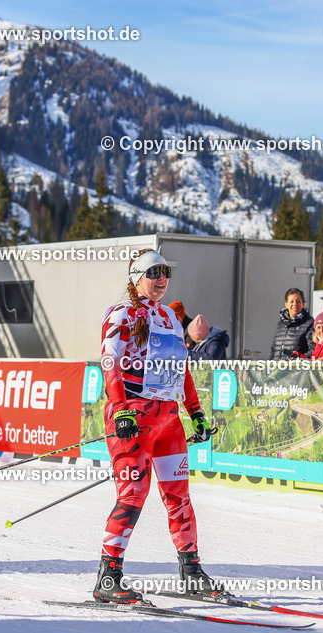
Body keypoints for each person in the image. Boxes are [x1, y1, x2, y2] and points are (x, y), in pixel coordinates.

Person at [96, 248, 221, 604]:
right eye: (153, 272)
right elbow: (110, 361)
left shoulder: (168, 316)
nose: (161, 279)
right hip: (133, 419)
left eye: (165, 272)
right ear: (137, 278)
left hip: (168, 422)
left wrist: (194, 412)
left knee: (178, 495)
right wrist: (120, 408)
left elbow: (180, 369)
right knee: (133, 494)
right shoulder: (121, 314)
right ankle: (108, 577)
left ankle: (191, 572)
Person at [269, 288, 315, 359]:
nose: (295, 304)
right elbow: (273, 349)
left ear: (303, 304)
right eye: (291, 301)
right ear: (286, 304)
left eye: (298, 301)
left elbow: (312, 350)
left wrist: (297, 359)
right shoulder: (280, 324)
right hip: (277, 368)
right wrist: (269, 366)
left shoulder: (309, 323)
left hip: (297, 369)